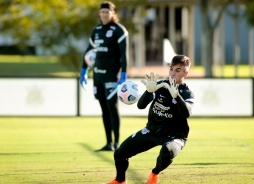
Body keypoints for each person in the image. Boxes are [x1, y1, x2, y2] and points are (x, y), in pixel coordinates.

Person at [103, 55, 195, 184]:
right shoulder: (160, 85)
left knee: (166, 152)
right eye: (171, 69)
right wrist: (148, 91)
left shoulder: (187, 93)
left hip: (175, 136)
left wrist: (177, 96)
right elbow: (141, 106)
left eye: (177, 70)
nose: (173, 73)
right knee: (119, 154)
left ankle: (155, 173)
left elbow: (187, 113)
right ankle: (120, 180)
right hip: (152, 131)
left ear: (185, 73)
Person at [79, 1, 129, 151]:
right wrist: (83, 70)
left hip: (111, 76)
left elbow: (124, 54)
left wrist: (124, 73)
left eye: (108, 12)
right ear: (99, 14)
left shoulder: (119, 30)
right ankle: (108, 143)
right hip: (97, 76)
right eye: (103, 12)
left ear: (113, 14)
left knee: (112, 107)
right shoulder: (96, 31)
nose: (105, 14)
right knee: (104, 109)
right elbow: (88, 52)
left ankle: (117, 143)